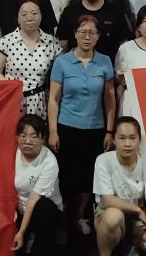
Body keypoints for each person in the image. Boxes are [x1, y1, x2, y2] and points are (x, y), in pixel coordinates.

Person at [49, 15, 117, 238]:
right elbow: (54, 99)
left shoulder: (105, 62)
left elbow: (109, 99)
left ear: (98, 36)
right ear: (75, 34)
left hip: (95, 128)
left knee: (89, 176)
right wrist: (53, 131)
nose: (87, 37)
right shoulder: (62, 61)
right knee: (68, 176)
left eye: (92, 33)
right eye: (83, 32)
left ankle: (81, 216)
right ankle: (67, 219)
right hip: (67, 127)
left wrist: (109, 130)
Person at [91, 117, 146, 256]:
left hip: (136, 218)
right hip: (110, 213)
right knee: (113, 216)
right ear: (114, 140)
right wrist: (138, 210)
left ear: (139, 140)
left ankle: (131, 242)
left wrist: (143, 214)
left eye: (132, 138)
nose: (127, 144)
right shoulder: (103, 160)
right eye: (122, 138)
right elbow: (106, 200)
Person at [12, 114, 64, 256]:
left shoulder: (49, 162)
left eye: (34, 136)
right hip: (17, 208)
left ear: (43, 139)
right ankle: (29, 236)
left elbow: (34, 199)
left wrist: (21, 232)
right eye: (23, 135)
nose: (27, 141)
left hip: (42, 211)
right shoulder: (11, 153)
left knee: (43, 207)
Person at [0, 0, 62, 117]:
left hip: (41, 101)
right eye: (24, 14)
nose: (29, 18)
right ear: (17, 18)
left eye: (34, 13)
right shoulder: (7, 41)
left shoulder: (52, 43)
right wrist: (13, 88)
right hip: (13, 99)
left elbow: (58, 75)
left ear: (41, 16)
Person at [56, 0, 130, 63]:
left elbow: (123, 44)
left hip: (107, 68)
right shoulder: (69, 12)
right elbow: (63, 45)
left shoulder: (115, 12)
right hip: (75, 68)